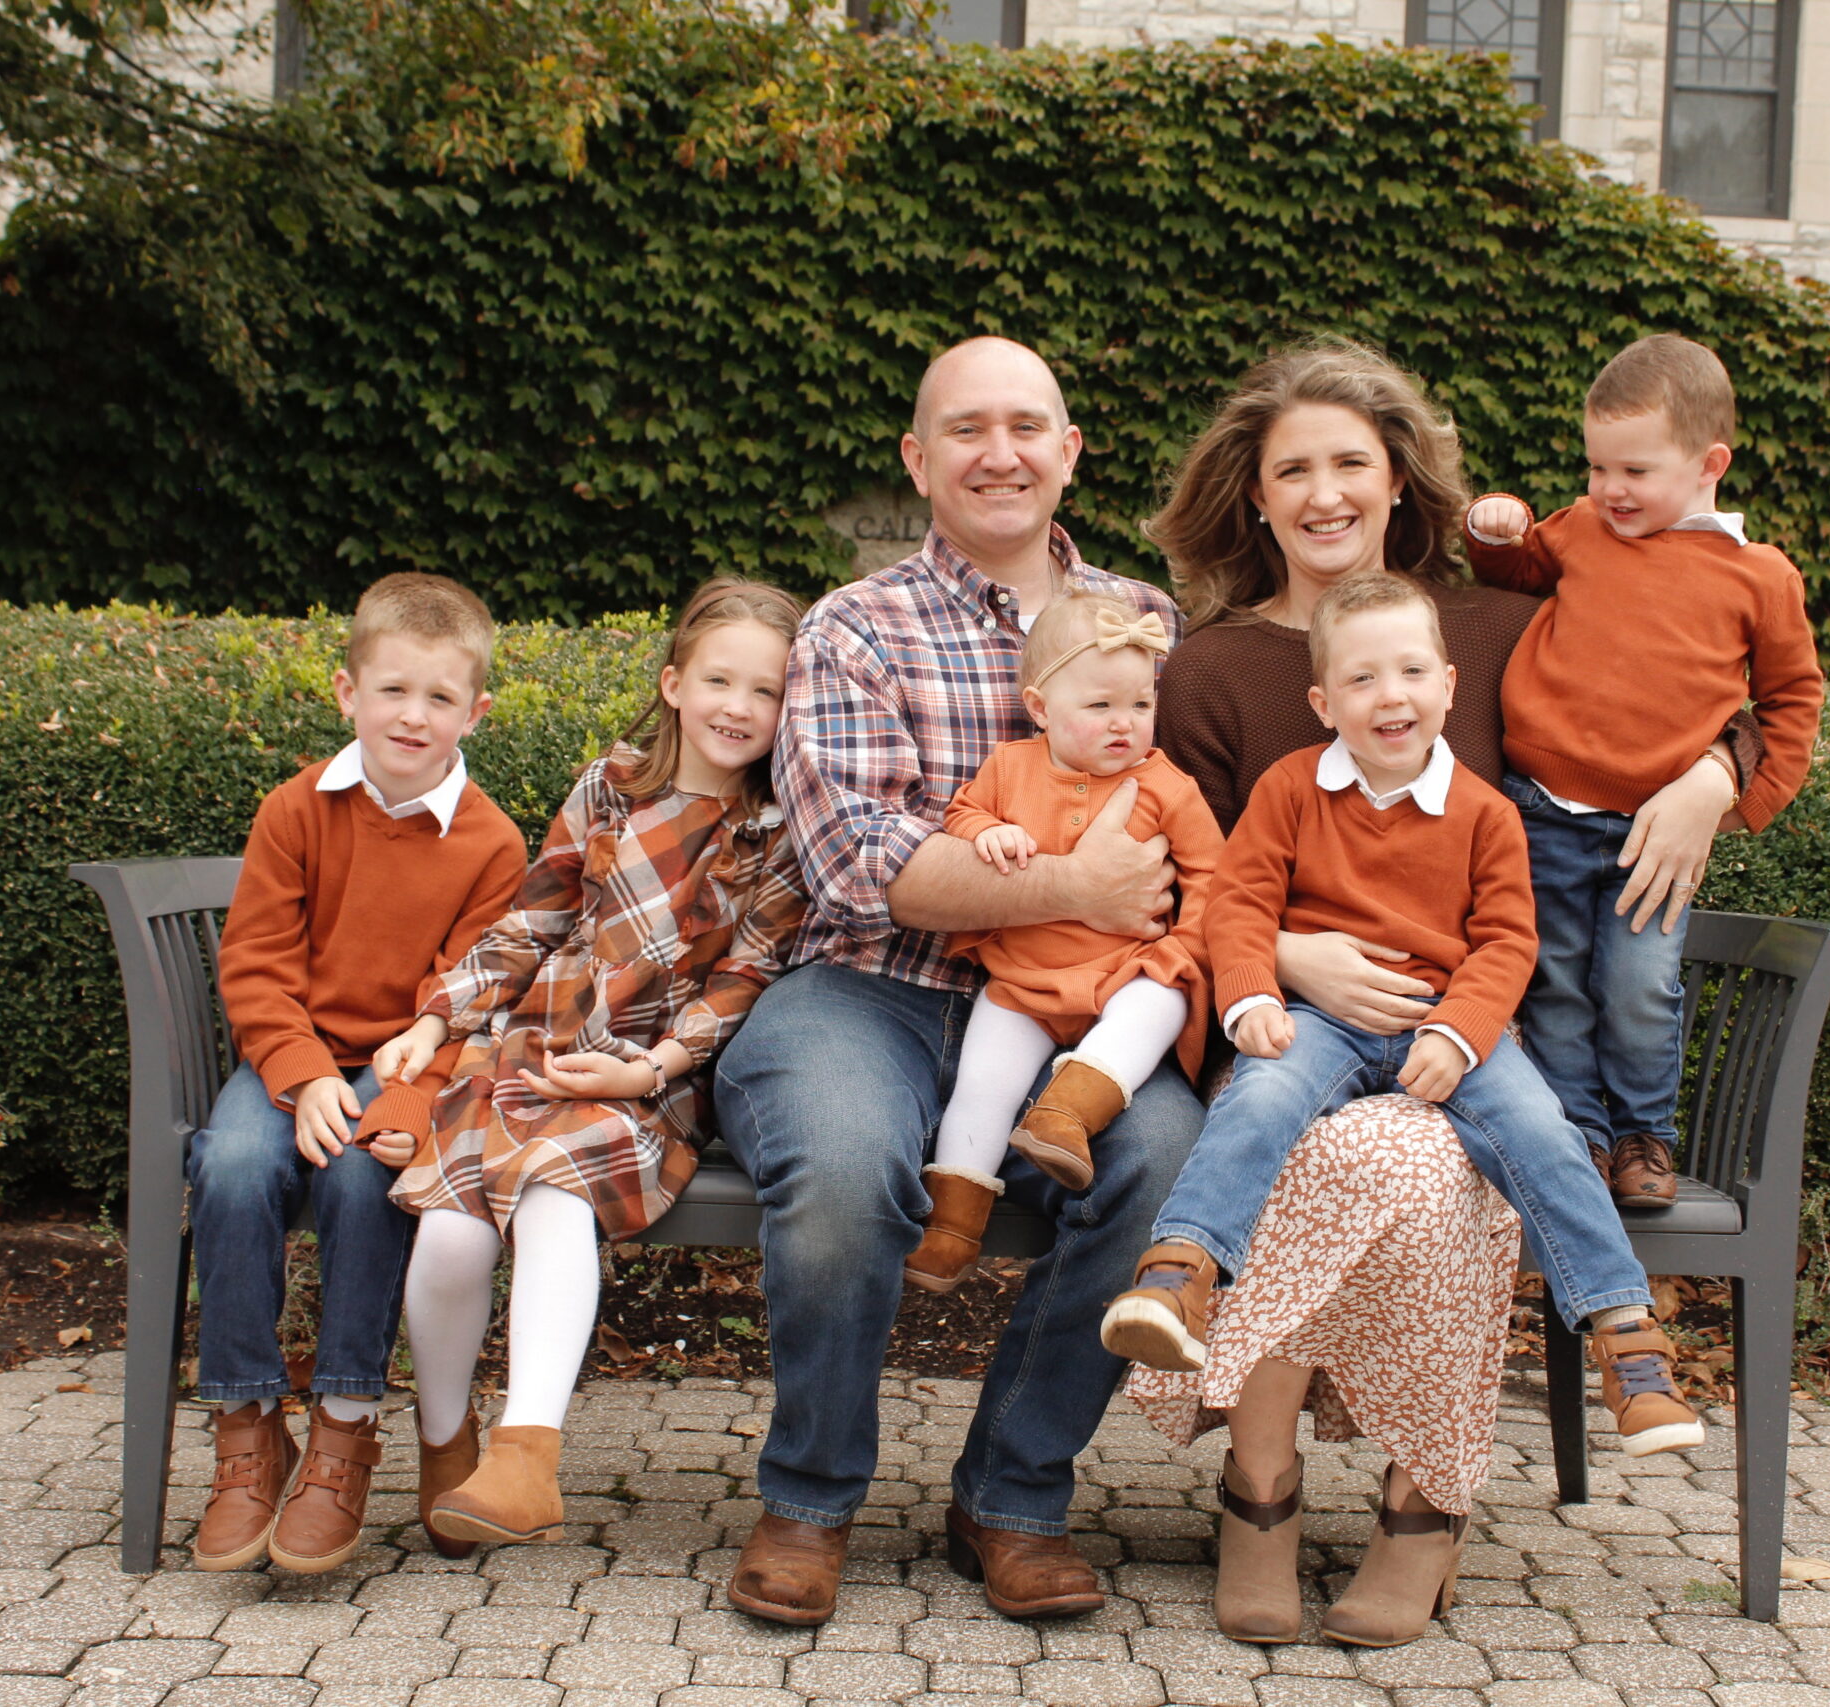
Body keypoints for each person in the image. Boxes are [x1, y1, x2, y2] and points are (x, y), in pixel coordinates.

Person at [1124, 339, 1762, 1648]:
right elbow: (1187, 872)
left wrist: (1715, 772)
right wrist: (1283, 960)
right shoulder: (1211, 667)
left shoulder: (1489, 627)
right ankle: (1262, 1486)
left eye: (1349, 460)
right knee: (1319, 1141)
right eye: (1290, 466)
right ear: (1252, 493)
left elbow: (1693, 659)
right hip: (1282, 1018)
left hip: (1465, 1024)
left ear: (1398, 476)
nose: (1322, 490)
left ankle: (1427, 1498)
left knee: (1422, 1161)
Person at [712, 336, 1203, 1626]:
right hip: (869, 988)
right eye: (967, 430)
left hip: (1083, 1006)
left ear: (1069, 449)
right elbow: (864, 868)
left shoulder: (1144, 624)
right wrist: (1074, 886)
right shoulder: (854, 627)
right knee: (835, 1160)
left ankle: (1012, 1497)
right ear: (919, 461)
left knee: (1159, 1158)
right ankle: (809, 1499)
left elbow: (1208, 828)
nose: (1002, 453)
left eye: (1028, 426)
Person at [380, 578, 809, 1555]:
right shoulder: (609, 785)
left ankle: (528, 1452)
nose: (738, 707)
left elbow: (748, 978)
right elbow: (531, 919)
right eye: (719, 680)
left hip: (645, 1081)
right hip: (531, 1050)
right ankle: (449, 1447)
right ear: (672, 682)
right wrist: (438, 1016)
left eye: (768, 691)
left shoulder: (781, 830)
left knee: (552, 1191)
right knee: (449, 1239)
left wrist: (654, 1067)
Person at [188, 571, 529, 1575]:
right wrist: (298, 1076)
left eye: (438, 697)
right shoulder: (296, 811)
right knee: (235, 1165)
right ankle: (247, 1430)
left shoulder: (492, 844)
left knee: (362, 1174)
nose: (412, 716)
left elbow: (472, 997)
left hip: (402, 1074)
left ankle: (343, 1423)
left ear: (477, 710)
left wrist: (412, 1100)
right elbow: (255, 963)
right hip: (290, 1061)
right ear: (347, 692)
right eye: (392, 691)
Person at [1464, 333, 1824, 1212]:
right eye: (1595, 467)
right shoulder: (1583, 530)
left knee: (1639, 982)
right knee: (1552, 973)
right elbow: (1511, 566)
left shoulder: (1759, 577)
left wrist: (1740, 801)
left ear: (1710, 464)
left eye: (1634, 470)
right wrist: (1492, 522)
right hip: (1541, 806)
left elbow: (1793, 697)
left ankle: (1641, 1135)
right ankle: (1578, 1135)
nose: (1608, 490)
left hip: (1650, 832)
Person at [906, 589, 1224, 1291]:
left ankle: (1065, 1115)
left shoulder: (1167, 785)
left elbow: (1212, 879)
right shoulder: (1010, 768)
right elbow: (962, 813)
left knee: (1160, 1003)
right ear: (1042, 707)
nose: (1124, 724)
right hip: (1023, 980)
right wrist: (988, 832)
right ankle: (954, 1226)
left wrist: (1179, 955)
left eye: (1140, 706)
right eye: (1100, 706)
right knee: (982, 1086)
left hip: (1126, 972)